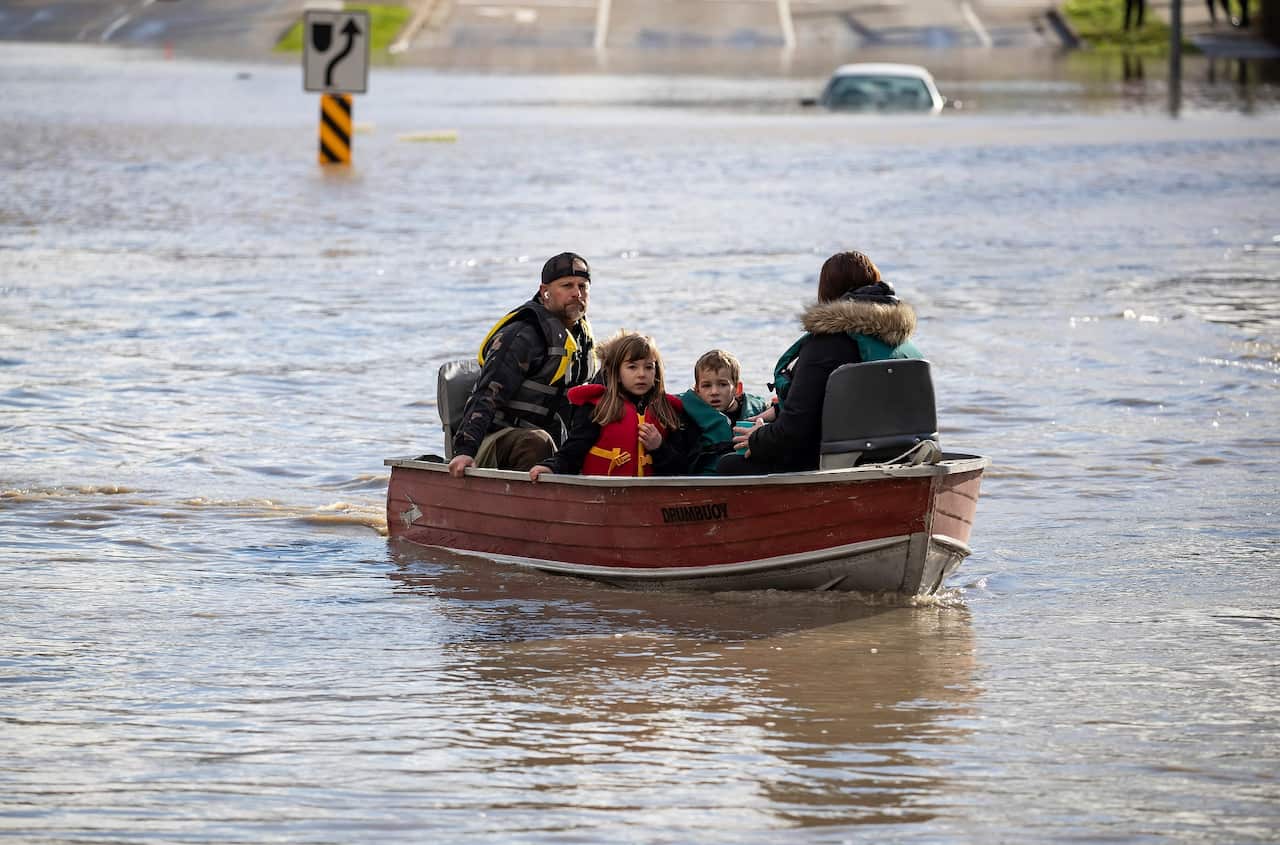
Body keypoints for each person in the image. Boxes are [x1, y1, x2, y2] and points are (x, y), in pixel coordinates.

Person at [717, 250, 923, 476]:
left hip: (833, 462)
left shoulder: (825, 346)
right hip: (902, 453)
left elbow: (795, 431)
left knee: (726, 463)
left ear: (826, 292)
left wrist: (758, 438)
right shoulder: (904, 346)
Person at [447, 252, 597, 477]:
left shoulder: (582, 340)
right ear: (544, 291)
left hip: (553, 448)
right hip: (495, 442)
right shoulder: (521, 336)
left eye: (583, 286)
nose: (577, 293)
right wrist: (465, 450)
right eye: (567, 285)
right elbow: (485, 395)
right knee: (537, 441)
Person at [529, 331, 693, 480]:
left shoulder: (668, 412)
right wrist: (551, 466)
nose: (642, 374)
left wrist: (659, 447)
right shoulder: (597, 409)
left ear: (656, 372)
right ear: (617, 373)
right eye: (632, 367)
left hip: (650, 497)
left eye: (649, 367)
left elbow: (682, 468)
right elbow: (573, 451)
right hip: (604, 495)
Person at [678, 349, 771, 475]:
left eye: (722, 384)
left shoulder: (760, 411)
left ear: (737, 389)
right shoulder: (688, 413)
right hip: (707, 481)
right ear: (697, 391)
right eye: (706, 385)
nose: (714, 392)